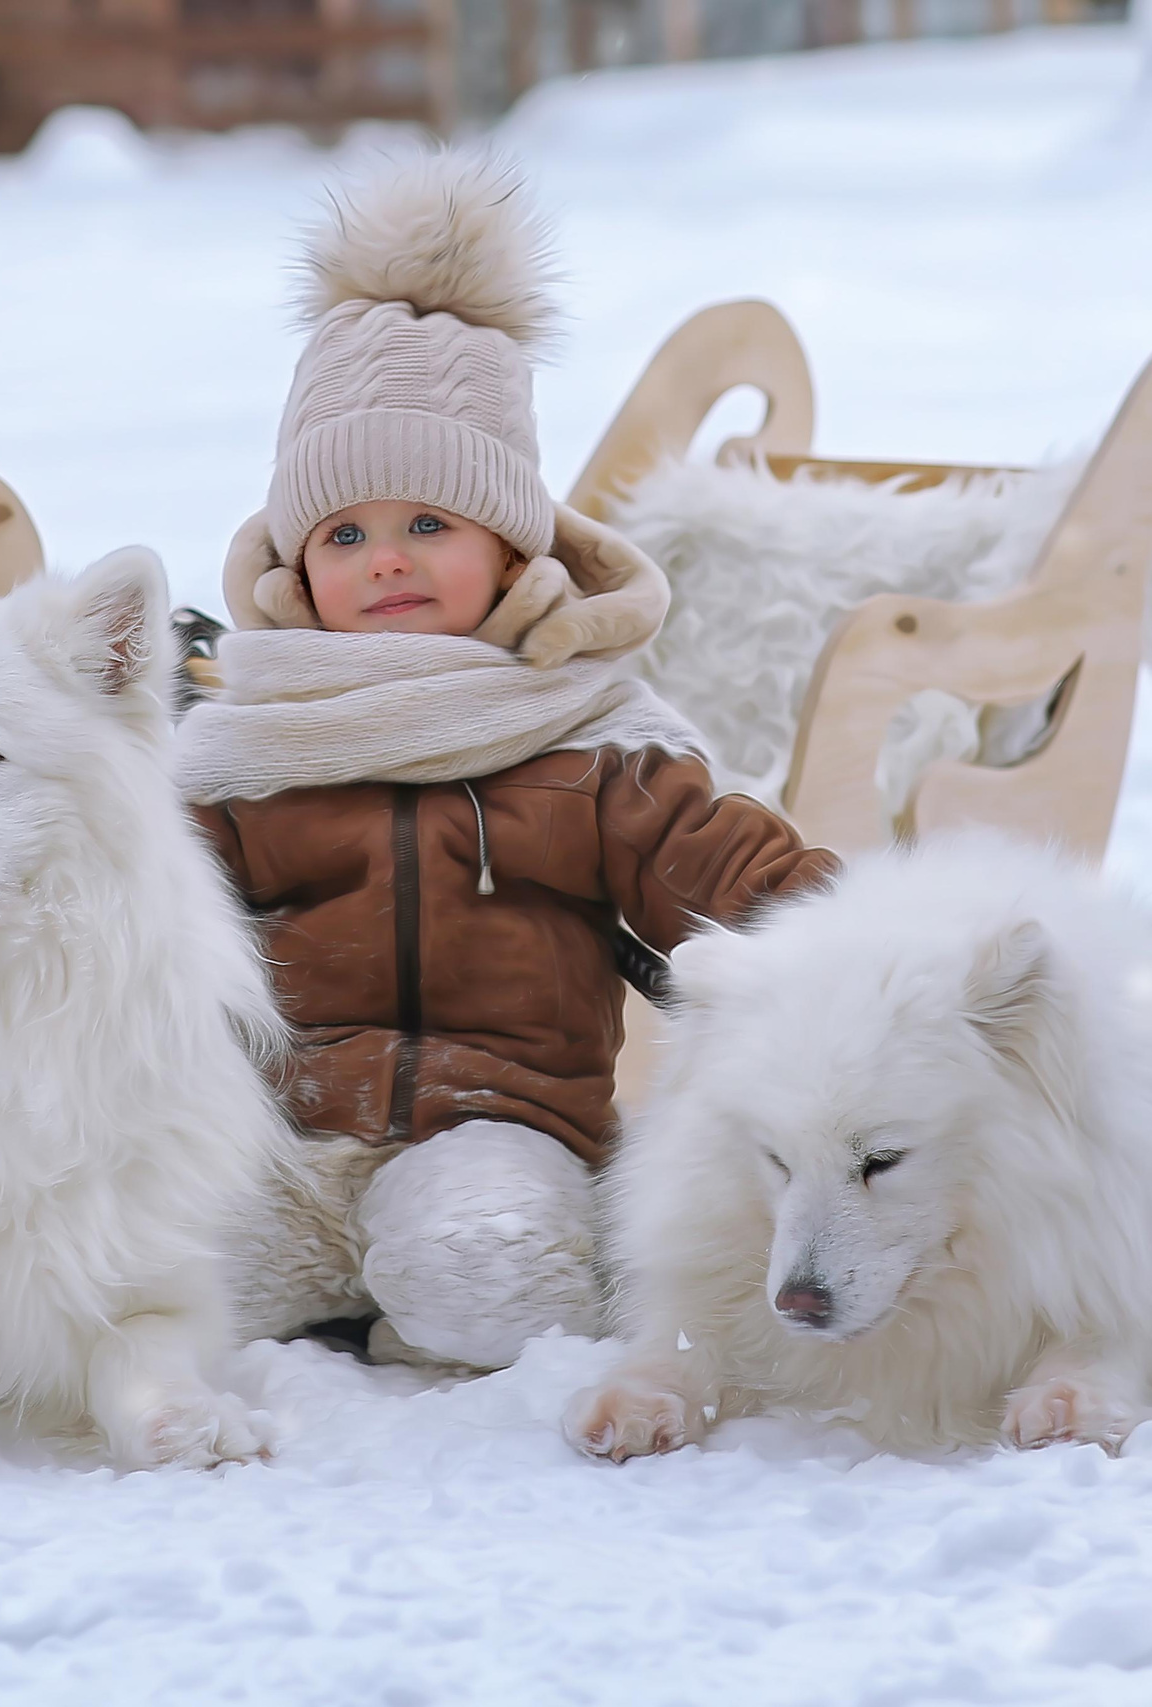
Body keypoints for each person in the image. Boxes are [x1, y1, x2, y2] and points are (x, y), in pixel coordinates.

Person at [180, 151, 838, 1371]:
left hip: (496, 1129)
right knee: (136, 1286)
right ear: (293, 563)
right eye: (344, 532)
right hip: (274, 1136)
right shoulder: (249, 746)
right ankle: (334, 1296)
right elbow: (134, 912)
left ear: (512, 548)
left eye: (429, 523)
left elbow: (724, 871)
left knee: (494, 1279)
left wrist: (861, 936)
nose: (386, 559)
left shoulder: (585, 741)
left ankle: (448, 1293)